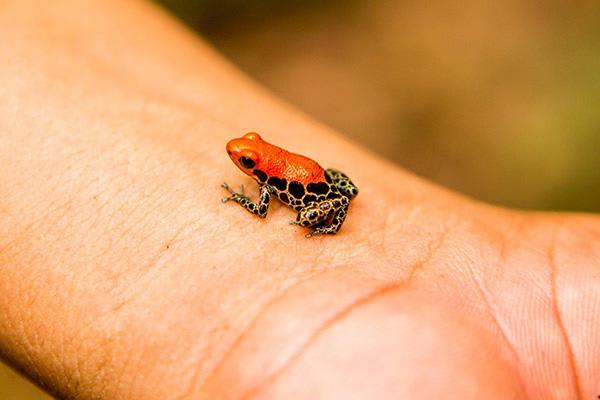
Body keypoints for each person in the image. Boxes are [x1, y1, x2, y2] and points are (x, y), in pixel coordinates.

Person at [1, 1, 598, 398]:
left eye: (247, 161)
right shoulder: (266, 163)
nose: (242, 161)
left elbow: (266, 207)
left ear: (256, 164)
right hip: (317, 174)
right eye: (246, 157)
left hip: (311, 185)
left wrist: (247, 202)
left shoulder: (267, 183)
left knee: (301, 216)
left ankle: (319, 218)